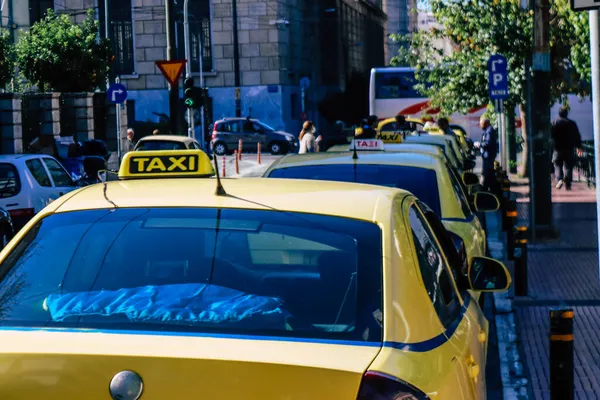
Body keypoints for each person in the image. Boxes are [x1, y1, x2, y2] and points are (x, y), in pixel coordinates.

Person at [551, 106, 583, 190]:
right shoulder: (572, 123)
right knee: (569, 166)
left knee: (557, 165)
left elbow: (551, 135)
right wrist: (579, 147)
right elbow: (577, 136)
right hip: (569, 148)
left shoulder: (554, 122)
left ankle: (559, 178)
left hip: (557, 148)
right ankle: (567, 183)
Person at [479, 115, 498, 191]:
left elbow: (488, 143)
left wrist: (480, 145)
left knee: (487, 173)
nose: (480, 126)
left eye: (481, 124)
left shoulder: (489, 131)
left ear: (485, 123)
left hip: (488, 156)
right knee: (488, 172)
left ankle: (486, 188)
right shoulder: (488, 130)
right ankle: (489, 187)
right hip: (488, 155)